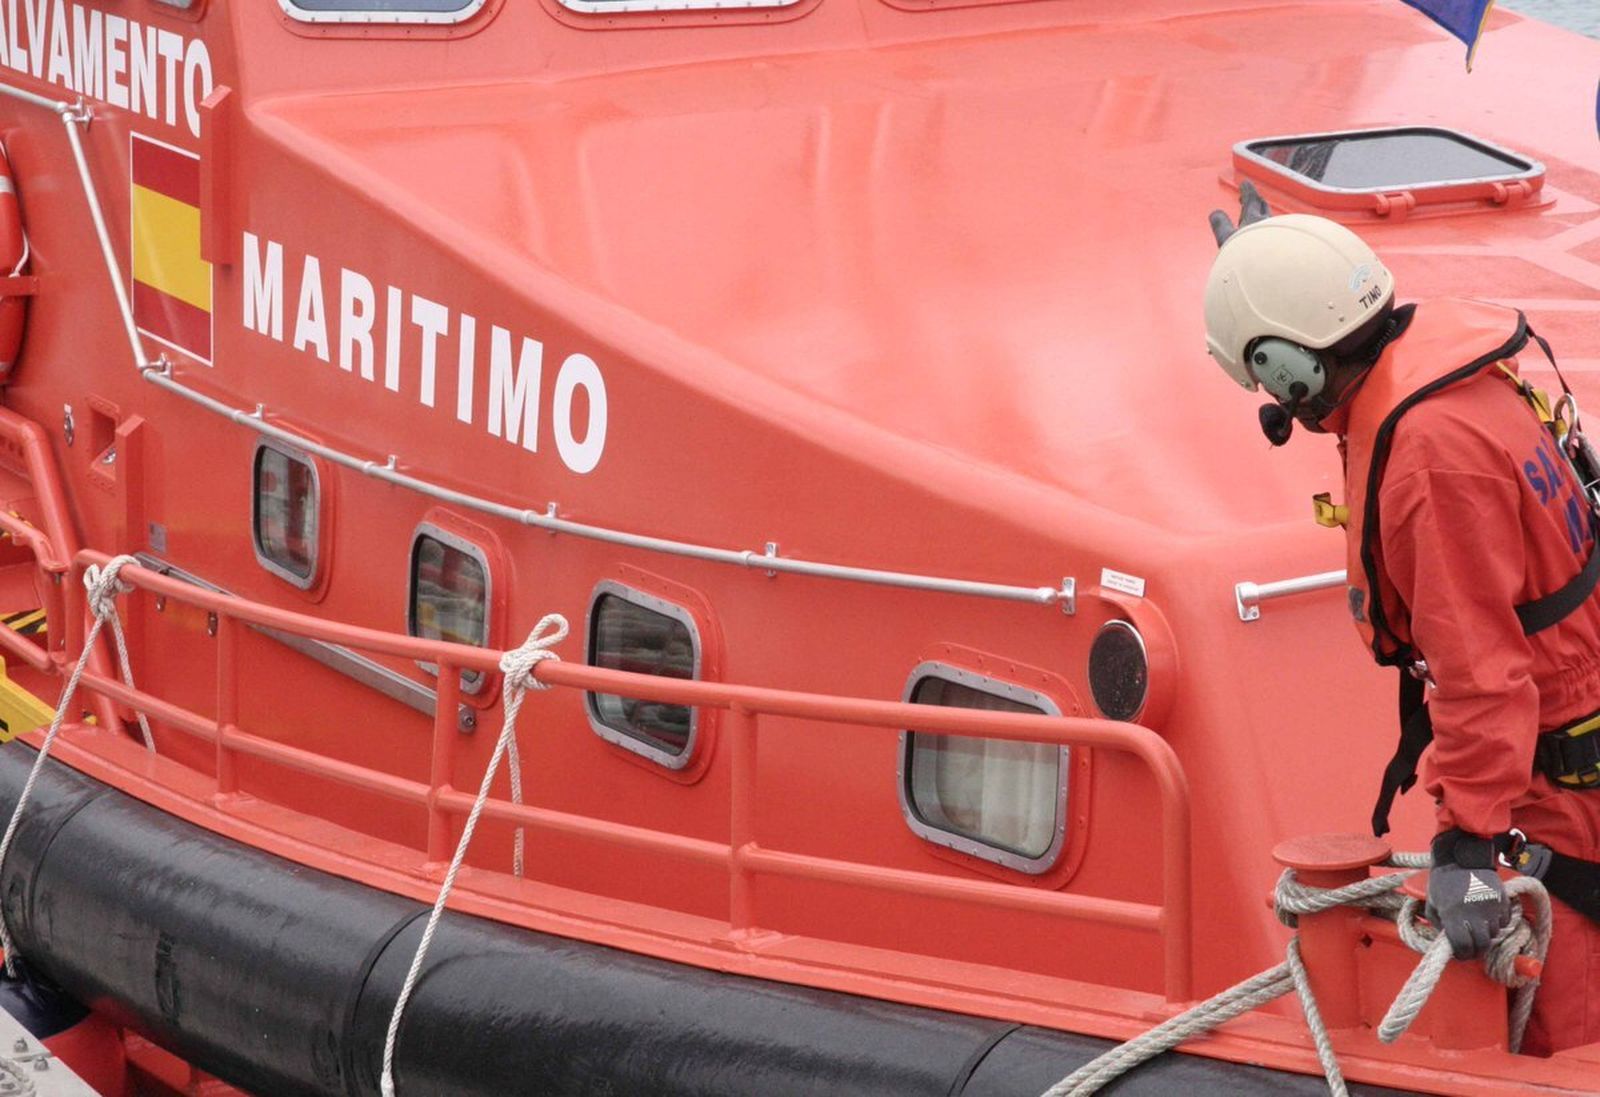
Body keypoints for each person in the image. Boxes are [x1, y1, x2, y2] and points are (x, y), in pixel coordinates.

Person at [1202, 197, 1600, 1055]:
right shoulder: (1454, 375)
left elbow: (1482, 670)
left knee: (1564, 1041)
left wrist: (1467, 842)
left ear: (1293, 365)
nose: (1274, 400)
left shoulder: (1425, 459)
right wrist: (1270, 273)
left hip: (1564, 795)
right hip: (1574, 733)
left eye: (1267, 375)